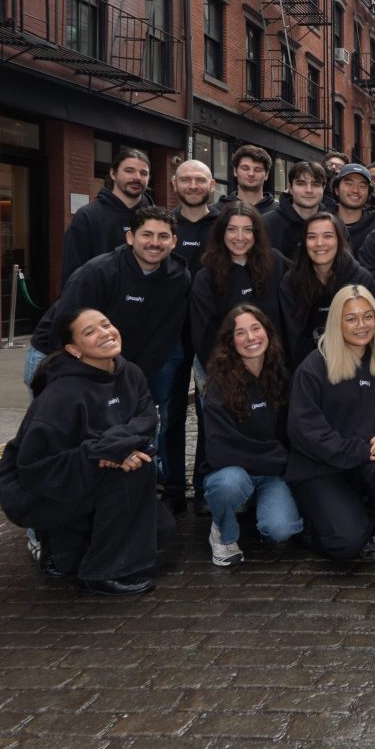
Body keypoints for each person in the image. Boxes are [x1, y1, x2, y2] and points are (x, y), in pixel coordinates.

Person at [0, 308, 173, 596]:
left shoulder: (129, 372)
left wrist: (113, 449)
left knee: (161, 531)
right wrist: (104, 454)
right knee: (132, 473)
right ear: (74, 349)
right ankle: (101, 572)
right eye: (90, 332)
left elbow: (146, 419)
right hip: (39, 489)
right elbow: (34, 467)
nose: (105, 333)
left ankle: (64, 548)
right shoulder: (61, 394)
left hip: (87, 476)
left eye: (106, 324)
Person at [26, 209, 190, 496]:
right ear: (130, 237)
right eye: (147, 234)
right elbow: (65, 329)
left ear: (174, 242)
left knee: (113, 440)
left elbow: (164, 337)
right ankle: (46, 517)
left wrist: (130, 380)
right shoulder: (97, 272)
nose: (155, 243)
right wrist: (83, 379)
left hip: (116, 364)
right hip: (61, 355)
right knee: (60, 441)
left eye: (163, 236)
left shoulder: (179, 278)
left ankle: (113, 507)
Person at [287, 285, 375, 561]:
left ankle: (374, 528)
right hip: (321, 469)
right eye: (351, 318)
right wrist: (356, 451)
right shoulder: (314, 366)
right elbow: (306, 430)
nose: (362, 325)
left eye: (368, 316)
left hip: (365, 463)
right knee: (346, 544)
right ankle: (319, 527)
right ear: (337, 322)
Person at [199, 305, 303, 566]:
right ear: (230, 342)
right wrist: (277, 456)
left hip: (271, 474)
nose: (250, 338)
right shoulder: (218, 385)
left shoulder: (282, 376)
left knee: (280, 531)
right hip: (233, 471)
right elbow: (220, 450)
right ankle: (223, 531)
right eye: (240, 333)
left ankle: (257, 507)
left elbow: (295, 434)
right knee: (229, 484)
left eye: (256, 328)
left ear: (267, 332)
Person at [167, 159, 218, 506]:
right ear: (175, 184)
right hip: (169, 336)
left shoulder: (222, 225)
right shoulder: (164, 225)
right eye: (186, 179)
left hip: (210, 334)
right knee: (170, 414)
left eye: (200, 179)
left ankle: (203, 486)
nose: (193, 185)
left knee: (207, 412)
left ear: (211, 184)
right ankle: (172, 488)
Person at [191, 203, 290, 365]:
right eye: (232, 229)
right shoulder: (206, 277)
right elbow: (204, 337)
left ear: (256, 233)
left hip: (275, 367)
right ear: (221, 232)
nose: (240, 237)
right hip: (227, 370)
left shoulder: (276, 262)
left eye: (248, 230)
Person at [280, 214, 375, 369]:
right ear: (304, 242)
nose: (319, 243)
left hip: (354, 364)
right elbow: (293, 339)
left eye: (328, 236)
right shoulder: (291, 282)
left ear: (339, 240)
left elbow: (369, 333)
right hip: (308, 366)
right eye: (312, 237)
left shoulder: (362, 279)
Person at [60, 148, 152, 284]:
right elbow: (73, 275)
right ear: (113, 174)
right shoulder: (87, 216)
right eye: (129, 171)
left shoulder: (156, 219)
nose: (137, 177)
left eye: (143, 173)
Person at [264, 161, 329, 261]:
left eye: (315, 184)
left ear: (323, 188)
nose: (309, 190)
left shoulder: (335, 225)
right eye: (301, 184)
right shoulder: (265, 224)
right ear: (290, 188)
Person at [331, 163, 375, 253]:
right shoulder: (320, 226)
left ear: (368, 193)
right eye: (349, 184)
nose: (355, 190)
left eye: (362, 186)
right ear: (336, 190)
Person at [217, 145, 276, 216]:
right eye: (245, 168)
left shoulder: (280, 213)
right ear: (235, 171)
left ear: (266, 175)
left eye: (257, 170)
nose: (251, 174)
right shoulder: (217, 211)